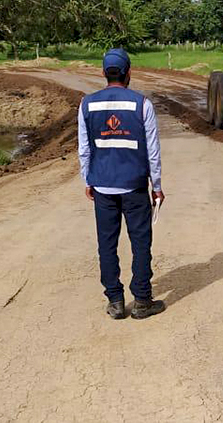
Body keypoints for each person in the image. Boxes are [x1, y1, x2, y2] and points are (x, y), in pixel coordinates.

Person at [78, 48, 167, 320]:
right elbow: (152, 151)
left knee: (107, 243)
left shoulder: (86, 105)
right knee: (141, 242)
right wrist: (157, 186)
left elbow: (84, 149)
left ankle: (115, 301)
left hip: (103, 186)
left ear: (104, 73)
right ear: (129, 73)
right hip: (135, 186)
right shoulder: (142, 104)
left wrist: (88, 180)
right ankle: (142, 301)